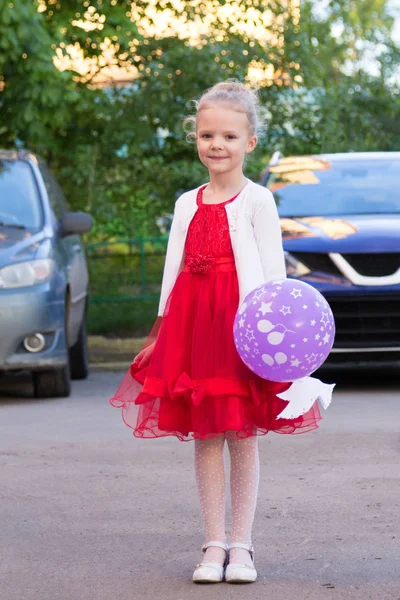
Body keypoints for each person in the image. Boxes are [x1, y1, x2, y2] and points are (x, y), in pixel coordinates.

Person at [110, 81, 325, 584]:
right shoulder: (187, 202)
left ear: (250, 142)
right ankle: (212, 545)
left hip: (242, 329)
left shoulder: (258, 200)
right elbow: (172, 269)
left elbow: (275, 277)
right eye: (207, 135)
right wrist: (161, 329)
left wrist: (282, 344)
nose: (217, 145)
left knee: (241, 434)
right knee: (205, 434)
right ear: (196, 139)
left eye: (229, 135)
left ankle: (242, 547)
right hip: (192, 326)